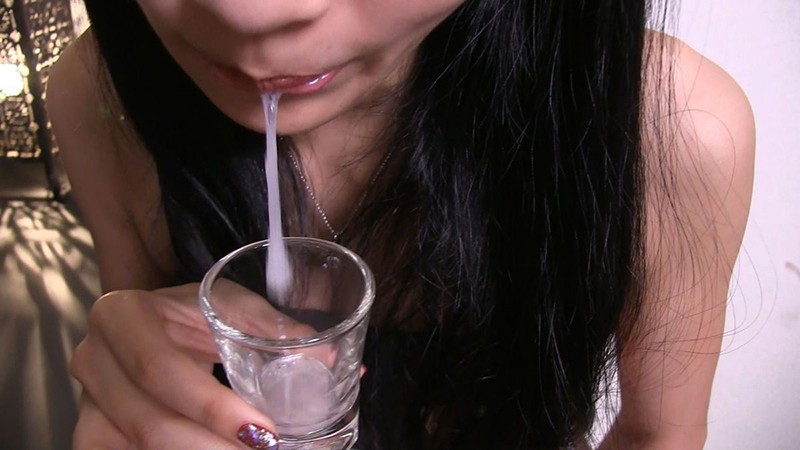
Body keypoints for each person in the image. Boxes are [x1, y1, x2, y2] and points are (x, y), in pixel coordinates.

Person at [45, 0, 755, 448]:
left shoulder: (664, 129)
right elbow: (135, 359)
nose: (249, 14)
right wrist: (130, 382)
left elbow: (656, 436)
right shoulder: (101, 98)